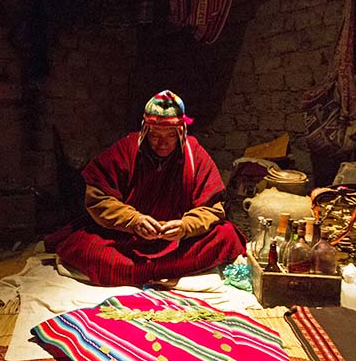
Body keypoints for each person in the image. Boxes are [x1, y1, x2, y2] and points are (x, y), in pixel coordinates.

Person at [46, 90, 246, 286]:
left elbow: (213, 207)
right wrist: (134, 221)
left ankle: (140, 271)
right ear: (145, 129)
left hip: (178, 241)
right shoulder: (127, 149)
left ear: (181, 132)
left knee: (226, 235)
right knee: (84, 247)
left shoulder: (195, 155)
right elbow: (97, 197)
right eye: (155, 135)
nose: (162, 144)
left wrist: (186, 226)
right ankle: (164, 269)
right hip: (128, 239)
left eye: (170, 136)